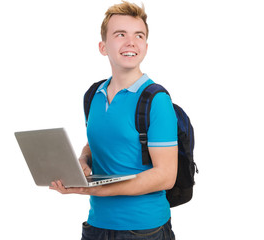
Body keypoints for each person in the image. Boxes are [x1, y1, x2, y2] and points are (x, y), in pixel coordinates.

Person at [50, 1, 178, 239]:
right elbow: (99, 142)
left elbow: (166, 176)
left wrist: (96, 190)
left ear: (146, 47)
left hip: (143, 230)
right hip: (95, 227)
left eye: (138, 35)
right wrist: (83, 159)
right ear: (103, 47)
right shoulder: (93, 96)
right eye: (120, 34)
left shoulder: (156, 100)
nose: (131, 42)